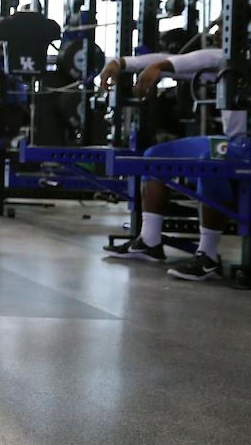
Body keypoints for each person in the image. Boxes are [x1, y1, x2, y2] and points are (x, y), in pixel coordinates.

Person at [98, 45, 245, 281]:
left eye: (224, 22)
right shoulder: (226, 60)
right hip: (234, 142)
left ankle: (208, 256)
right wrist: (121, 63)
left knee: (210, 162)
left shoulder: (236, 57)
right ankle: (150, 241)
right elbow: (180, 60)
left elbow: (185, 60)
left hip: (244, 146)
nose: (219, 31)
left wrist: (159, 66)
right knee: (157, 155)